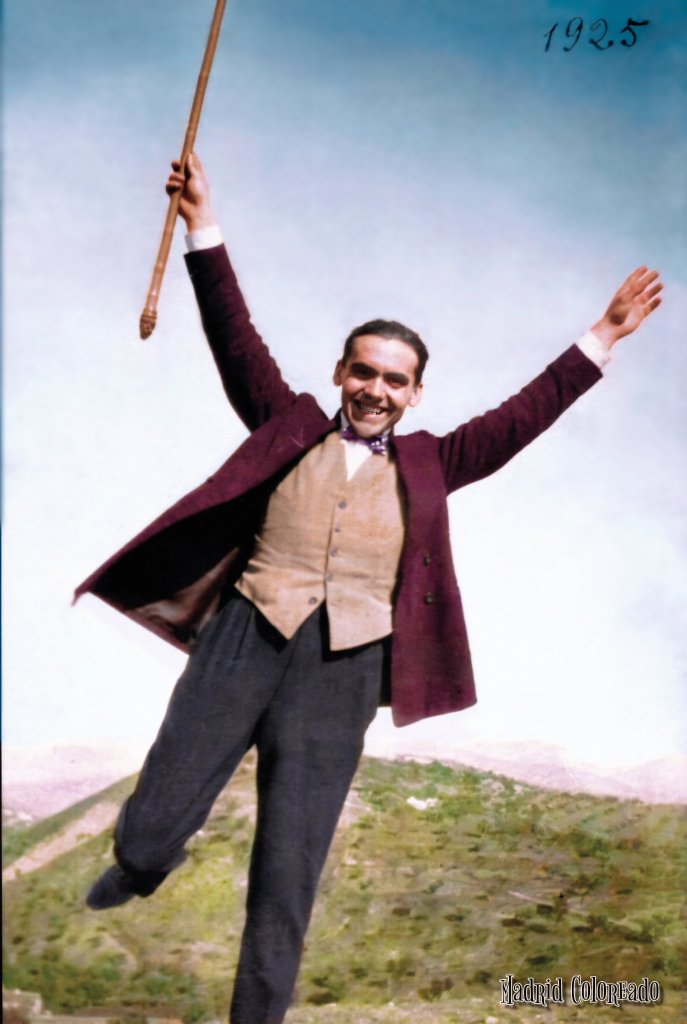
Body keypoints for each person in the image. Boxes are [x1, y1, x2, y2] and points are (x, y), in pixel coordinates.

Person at [79, 153, 662, 1024]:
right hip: (247, 630)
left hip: (344, 668)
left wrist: (600, 337)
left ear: (415, 392)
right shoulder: (287, 423)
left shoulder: (434, 461)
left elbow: (520, 416)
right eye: (364, 372)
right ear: (340, 374)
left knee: (291, 857)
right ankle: (142, 862)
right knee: (162, 806)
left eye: (395, 379)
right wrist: (205, 224)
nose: (376, 390)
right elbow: (235, 336)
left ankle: (258, 1016)